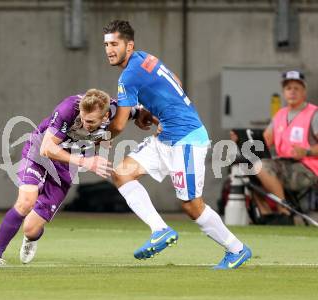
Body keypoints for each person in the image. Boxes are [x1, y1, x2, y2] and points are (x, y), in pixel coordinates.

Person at [103, 20, 251, 269]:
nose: (109, 49)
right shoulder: (145, 58)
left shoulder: (128, 76)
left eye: (114, 44)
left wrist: (95, 139)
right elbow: (175, 82)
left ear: (129, 45)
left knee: (191, 205)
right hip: (167, 137)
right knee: (123, 173)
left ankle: (236, 250)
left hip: (186, 139)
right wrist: (150, 113)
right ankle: (160, 229)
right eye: (106, 44)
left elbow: (117, 125)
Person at [0, 89, 125, 268]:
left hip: (65, 166)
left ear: (106, 115)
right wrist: (86, 161)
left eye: (90, 121)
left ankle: (31, 238)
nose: (84, 123)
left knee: (30, 229)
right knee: (25, 202)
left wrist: (152, 119)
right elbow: (47, 148)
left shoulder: (116, 110)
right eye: (83, 118)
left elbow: (140, 111)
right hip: (38, 154)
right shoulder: (68, 109)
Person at [256, 70, 318, 215]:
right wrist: (242, 139)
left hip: (308, 168)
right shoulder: (280, 114)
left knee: (260, 167)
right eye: (288, 88)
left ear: (304, 92)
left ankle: (284, 210)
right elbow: (265, 141)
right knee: (248, 171)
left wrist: (307, 151)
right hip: (284, 165)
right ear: (284, 92)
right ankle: (266, 215)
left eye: (296, 88)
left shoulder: (314, 113)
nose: (292, 92)